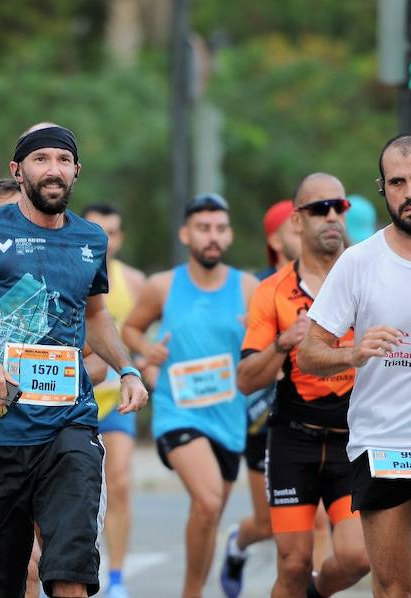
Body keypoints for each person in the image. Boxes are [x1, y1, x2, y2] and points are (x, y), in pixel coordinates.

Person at [0, 124, 148, 598]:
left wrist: (127, 368)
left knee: (70, 573)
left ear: (76, 170)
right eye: (40, 160)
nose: (52, 169)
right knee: (6, 584)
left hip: (70, 426)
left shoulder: (91, 240)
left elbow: (97, 316)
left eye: (62, 159)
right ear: (18, 171)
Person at [298, 133, 411, 598]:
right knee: (392, 587)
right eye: (398, 182)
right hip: (383, 442)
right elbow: (309, 353)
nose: (410, 193)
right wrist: (353, 352)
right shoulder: (358, 263)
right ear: (383, 188)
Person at [238, 175, 370, 598]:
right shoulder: (272, 291)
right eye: (319, 208)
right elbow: (246, 380)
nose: (332, 216)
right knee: (293, 565)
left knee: (357, 558)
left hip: (353, 441)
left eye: (339, 207)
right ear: (297, 220)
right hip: (294, 441)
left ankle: (316, 593)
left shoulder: (368, 276)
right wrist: (282, 342)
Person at [122, 192, 259, 598]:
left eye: (220, 228)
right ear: (186, 234)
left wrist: (259, 333)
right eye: (203, 228)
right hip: (177, 410)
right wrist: (148, 354)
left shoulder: (248, 287)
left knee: (209, 514)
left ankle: (195, 588)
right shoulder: (162, 286)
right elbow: (130, 330)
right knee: (208, 499)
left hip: (231, 417)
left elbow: (265, 341)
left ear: (229, 235)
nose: (212, 237)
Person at [219, 199, 300, 596]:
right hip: (261, 415)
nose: (308, 228)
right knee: (267, 524)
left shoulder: (331, 279)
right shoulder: (259, 286)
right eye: (296, 222)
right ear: (275, 237)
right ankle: (238, 543)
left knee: (315, 525)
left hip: (316, 418)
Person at [79, 203, 145, 598]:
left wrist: (141, 365)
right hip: (72, 398)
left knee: (119, 485)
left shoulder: (133, 281)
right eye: (99, 230)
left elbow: (138, 334)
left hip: (114, 402)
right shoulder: (69, 269)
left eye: (114, 232)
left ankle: (117, 577)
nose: (107, 239)